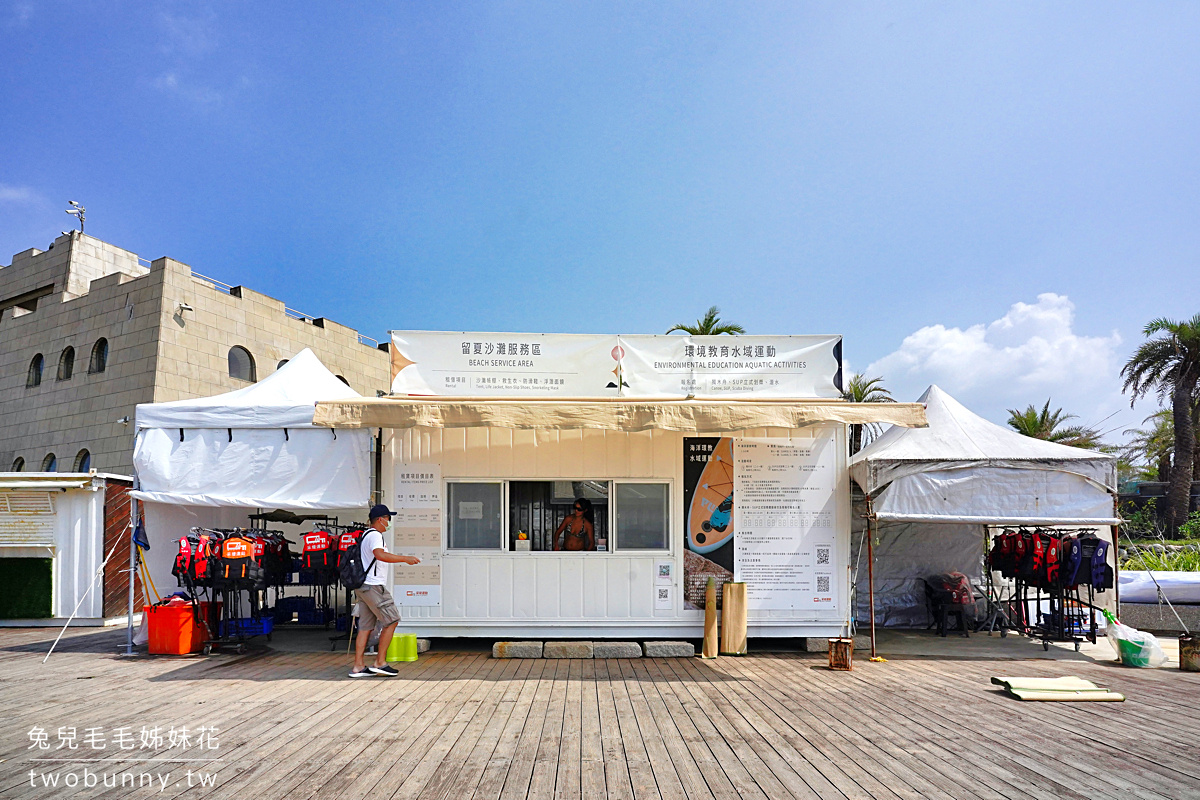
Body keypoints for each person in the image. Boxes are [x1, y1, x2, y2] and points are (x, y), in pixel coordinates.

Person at [349, 504, 420, 678]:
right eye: (388, 518)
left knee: (365, 627)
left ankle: (358, 666)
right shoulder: (375, 536)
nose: (389, 522)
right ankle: (380, 662)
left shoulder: (365, 535)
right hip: (374, 587)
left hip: (363, 587)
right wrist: (405, 559)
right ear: (380, 519)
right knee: (392, 620)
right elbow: (380, 555)